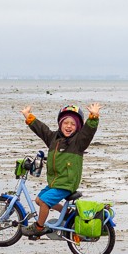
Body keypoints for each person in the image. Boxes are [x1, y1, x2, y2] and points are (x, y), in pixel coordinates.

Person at [19, 102, 102, 238]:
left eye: (73, 124)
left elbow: (88, 132)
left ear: (78, 127)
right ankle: (67, 213)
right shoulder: (53, 139)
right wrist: (29, 117)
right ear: (60, 124)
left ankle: (39, 227)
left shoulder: (78, 142)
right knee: (39, 200)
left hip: (66, 182)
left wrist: (93, 117)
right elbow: (42, 129)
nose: (69, 126)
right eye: (65, 123)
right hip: (55, 182)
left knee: (45, 202)